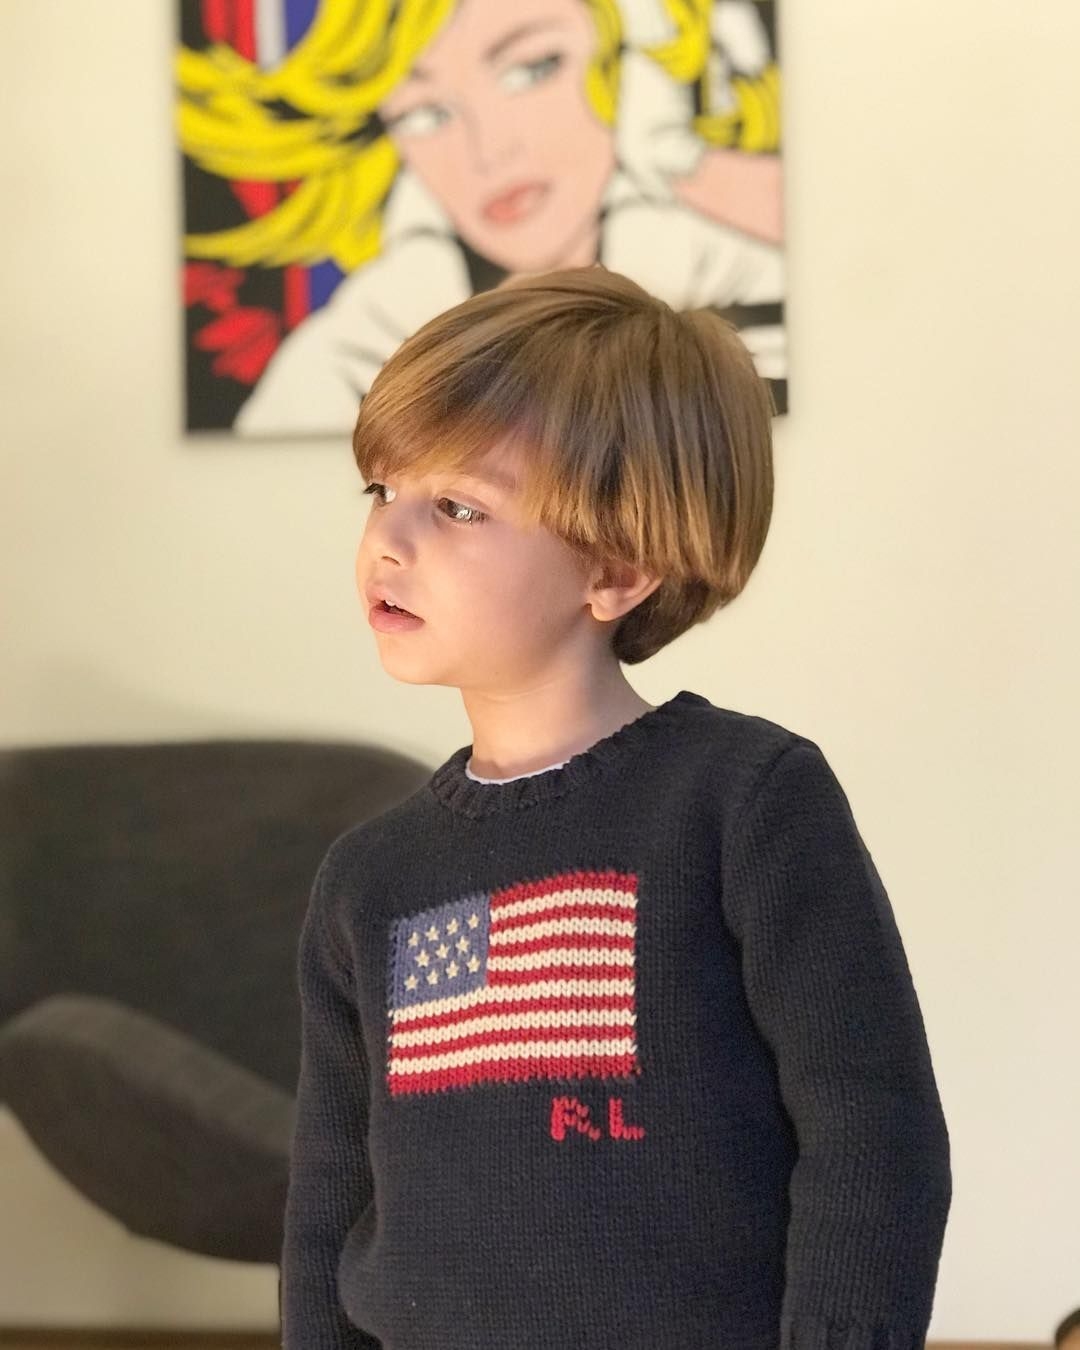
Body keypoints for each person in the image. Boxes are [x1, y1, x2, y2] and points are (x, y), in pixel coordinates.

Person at [280, 265, 952, 1349]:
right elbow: (329, 1195)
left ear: (617, 569)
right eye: (381, 491)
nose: (388, 541)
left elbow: (874, 1135)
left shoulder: (745, 800)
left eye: (457, 507)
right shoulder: (368, 876)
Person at [177, 0, 786, 435]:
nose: (490, 151)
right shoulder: (347, 364)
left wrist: (684, 160)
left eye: (532, 69)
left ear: (626, 66)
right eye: (424, 114)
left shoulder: (740, 290)